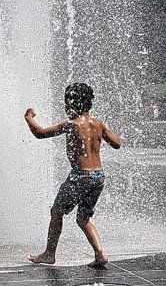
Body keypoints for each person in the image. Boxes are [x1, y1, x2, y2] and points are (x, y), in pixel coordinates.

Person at [24, 83, 122, 268]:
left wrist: (29, 117)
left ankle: (49, 254)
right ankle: (100, 253)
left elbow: (39, 133)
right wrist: (104, 131)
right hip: (98, 177)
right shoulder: (99, 124)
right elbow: (117, 143)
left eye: (65, 104)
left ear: (71, 104)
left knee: (56, 212)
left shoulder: (70, 125)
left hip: (80, 178)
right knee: (83, 218)